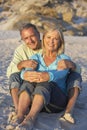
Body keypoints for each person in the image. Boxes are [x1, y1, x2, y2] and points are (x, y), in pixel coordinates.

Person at [7, 23, 82, 124]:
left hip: (55, 101)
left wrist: (48, 75)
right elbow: (18, 71)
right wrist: (24, 73)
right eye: (49, 37)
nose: (51, 41)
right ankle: (19, 114)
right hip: (37, 99)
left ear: (39, 35)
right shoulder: (33, 56)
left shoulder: (63, 59)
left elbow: (62, 73)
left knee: (46, 83)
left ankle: (31, 119)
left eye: (55, 39)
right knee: (26, 83)